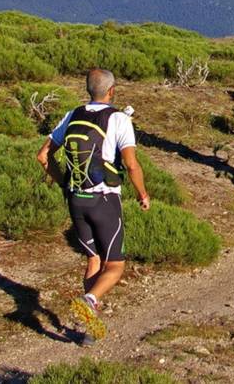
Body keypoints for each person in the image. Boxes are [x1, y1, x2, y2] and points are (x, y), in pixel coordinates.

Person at [36, 69, 150, 345]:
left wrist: (64, 183)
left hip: (76, 199)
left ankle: (88, 329)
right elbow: (132, 164)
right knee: (115, 265)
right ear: (111, 91)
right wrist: (143, 194)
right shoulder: (119, 119)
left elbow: (43, 155)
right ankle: (89, 300)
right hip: (105, 199)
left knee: (93, 260)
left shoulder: (72, 115)